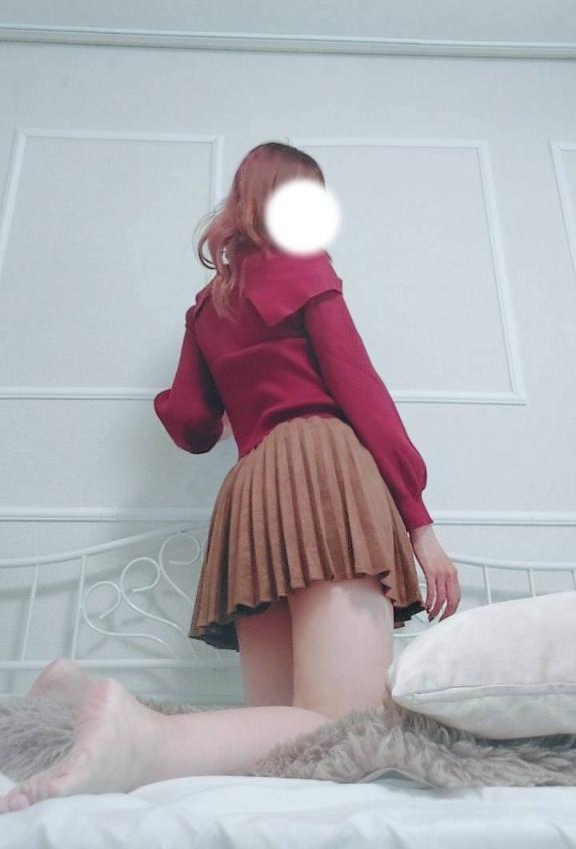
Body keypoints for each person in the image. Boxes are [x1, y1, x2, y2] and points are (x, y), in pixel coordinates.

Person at [0, 142, 460, 814]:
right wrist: (420, 524)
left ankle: (74, 707)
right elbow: (359, 389)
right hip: (324, 471)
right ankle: (140, 739)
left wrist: (227, 393)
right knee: (347, 731)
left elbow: (190, 424)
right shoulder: (304, 265)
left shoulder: (207, 309)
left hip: (252, 493)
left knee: (289, 746)